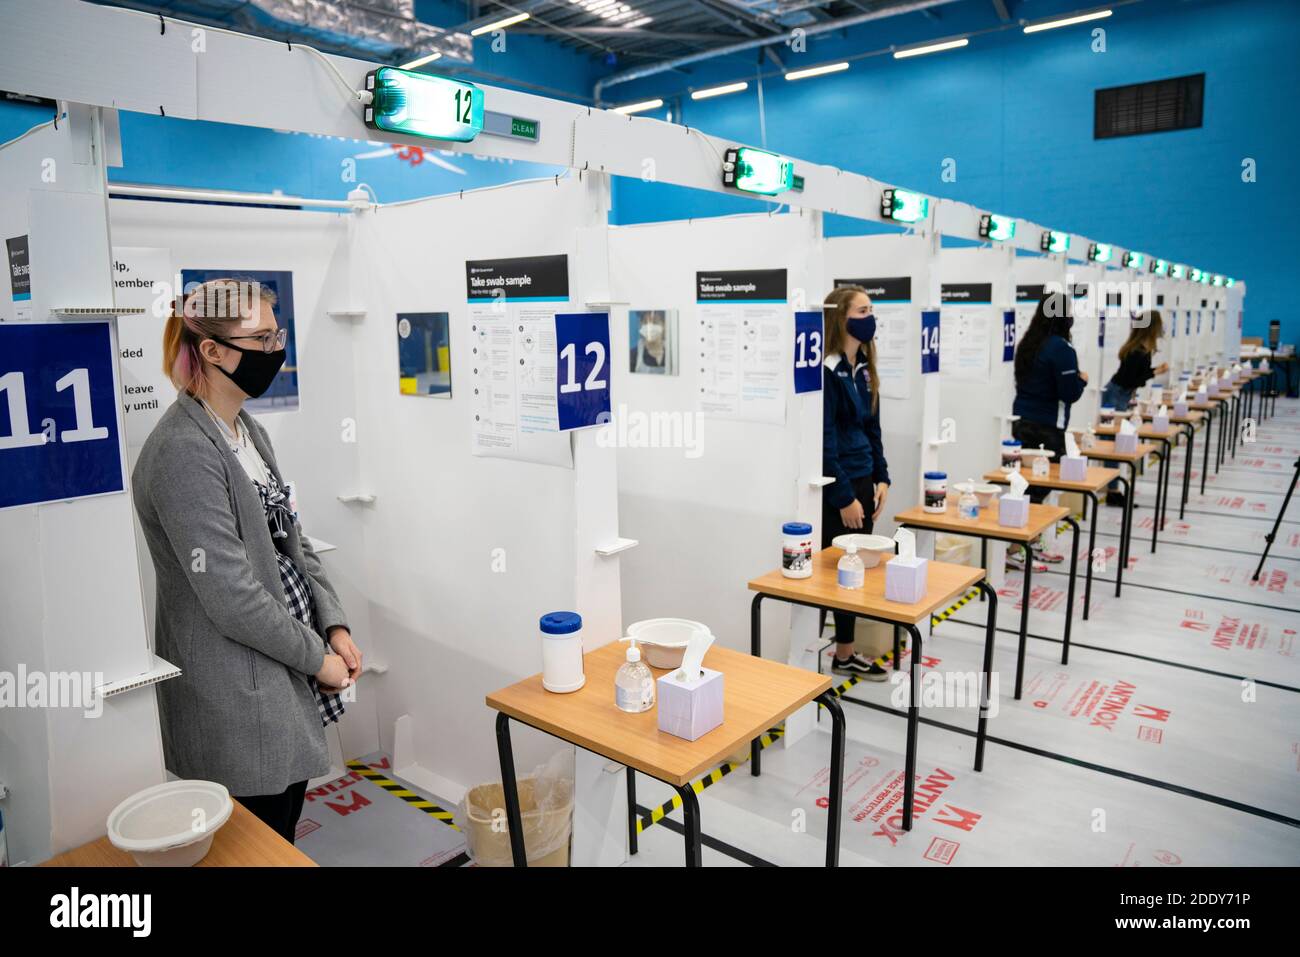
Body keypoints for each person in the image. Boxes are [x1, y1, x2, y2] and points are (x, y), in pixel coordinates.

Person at [133, 278, 363, 843]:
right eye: (260, 338)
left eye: (276, 334)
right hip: (235, 695)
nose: (275, 351)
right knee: (254, 842)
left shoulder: (246, 431)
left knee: (278, 835)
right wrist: (317, 659)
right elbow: (231, 595)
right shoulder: (182, 452)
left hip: (281, 667)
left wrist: (332, 622)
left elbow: (292, 537)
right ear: (211, 351)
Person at [821, 285, 891, 679]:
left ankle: (844, 653)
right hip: (841, 488)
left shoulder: (864, 366)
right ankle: (829, 651)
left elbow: (873, 427)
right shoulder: (828, 370)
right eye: (863, 310)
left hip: (866, 482)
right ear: (842, 317)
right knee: (835, 574)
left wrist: (882, 477)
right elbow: (824, 440)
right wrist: (843, 496)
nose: (870, 317)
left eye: (871, 310)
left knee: (857, 572)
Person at [1009, 291, 1088, 570]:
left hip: (1021, 423)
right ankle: (1021, 547)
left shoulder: (1029, 343)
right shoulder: (1062, 349)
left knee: (1025, 488)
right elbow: (1069, 393)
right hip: (1046, 430)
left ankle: (1026, 544)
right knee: (1037, 491)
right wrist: (1082, 381)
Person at [1101, 310, 1169, 505]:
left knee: (1115, 443)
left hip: (1120, 393)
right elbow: (1133, 378)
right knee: (1112, 445)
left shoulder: (1139, 349)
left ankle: (1113, 490)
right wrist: (1156, 371)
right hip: (1116, 395)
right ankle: (1112, 491)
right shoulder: (1137, 351)